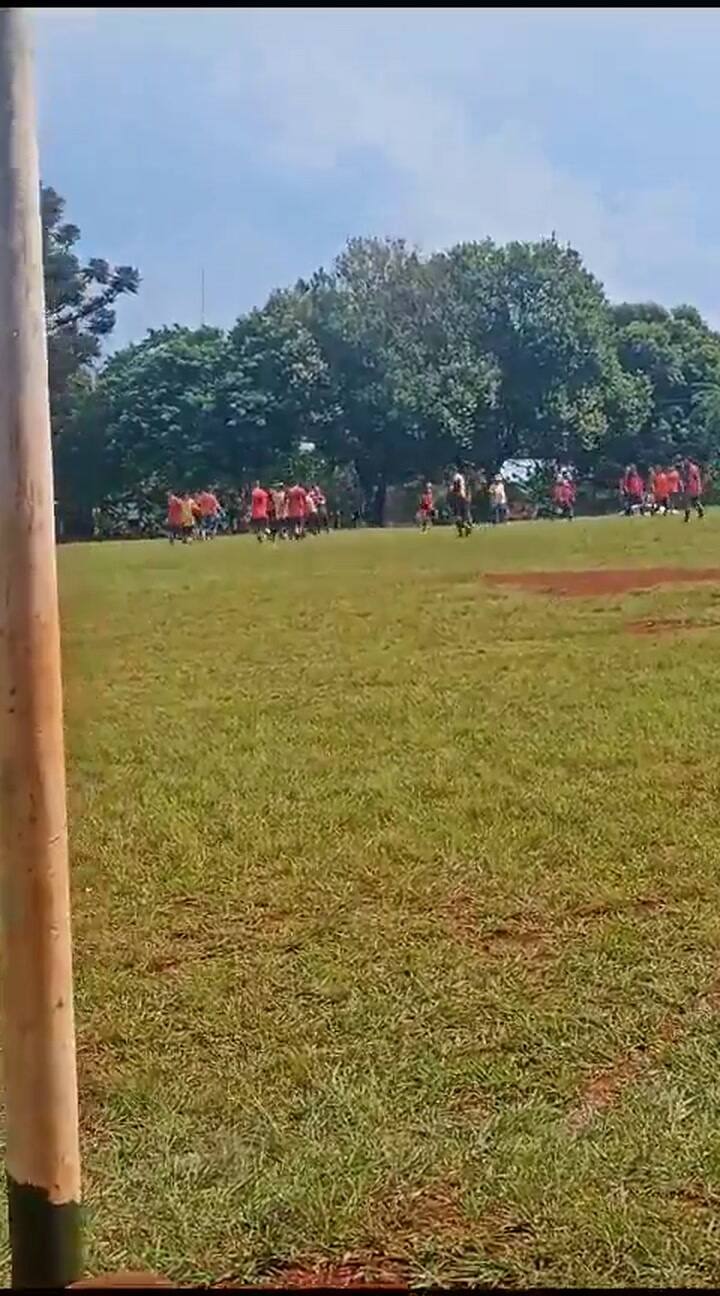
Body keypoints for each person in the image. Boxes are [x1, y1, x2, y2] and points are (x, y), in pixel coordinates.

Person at [449, 469, 472, 537]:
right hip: (463, 497)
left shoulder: (456, 477)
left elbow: (457, 486)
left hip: (459, 497)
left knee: (457, 516)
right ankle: (465, 529)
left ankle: (465, 529)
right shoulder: (461, 477)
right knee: (463, 516)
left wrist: (453, 490)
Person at [682, 458, 705, 522]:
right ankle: (701, 512)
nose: (684, 462)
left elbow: (697, 478)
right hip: (690, 487)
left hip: (692, 487)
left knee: (688, 501)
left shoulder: (693, 469)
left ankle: (687, 517)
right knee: (695, 501)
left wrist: (698, 487)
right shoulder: (686, 468)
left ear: (689, 461)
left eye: (686, 461)